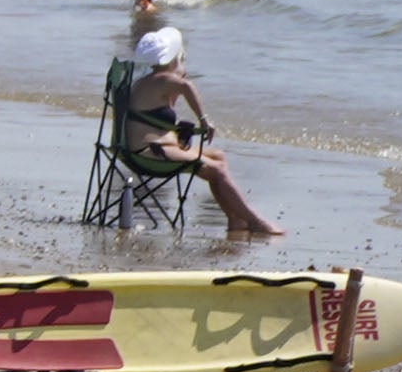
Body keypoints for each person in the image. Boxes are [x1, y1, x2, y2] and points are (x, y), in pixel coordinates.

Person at [114, 28, 285, 248]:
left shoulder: (148, 81)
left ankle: (235, 218)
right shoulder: (164, 79)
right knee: (217, 170)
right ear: (176, 56)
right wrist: (203, 120)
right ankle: (255, 220)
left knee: (218, 157)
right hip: (150, 152)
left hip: (145, 148)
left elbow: (167, 107)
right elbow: (187, 86)